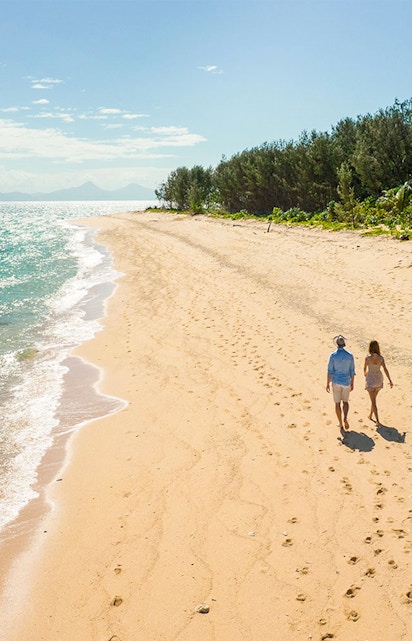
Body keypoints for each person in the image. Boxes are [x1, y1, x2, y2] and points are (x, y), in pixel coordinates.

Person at [326, 335, 355, 431]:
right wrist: (352, 383)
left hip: (336, 381)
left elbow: (329, 370)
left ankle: (340, 423)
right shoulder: (350, 355)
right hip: (346, 381)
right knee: (345, 402)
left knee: (337, 403)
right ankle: (345, 417)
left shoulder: (333, 355)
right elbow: (352, 371)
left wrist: (327, 383)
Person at [364, 340, 393, 427]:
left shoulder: (367, 358)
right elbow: (385, 369)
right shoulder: (381, 358)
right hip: (378, 379)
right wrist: (390, 380)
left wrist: (365, 373)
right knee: (374, 400)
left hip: (371, 380)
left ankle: (377, 421)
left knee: (373, 401)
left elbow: (364, 368)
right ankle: (370, 415)